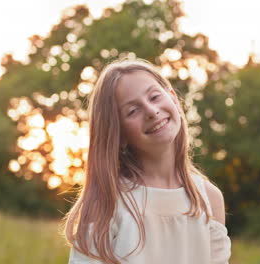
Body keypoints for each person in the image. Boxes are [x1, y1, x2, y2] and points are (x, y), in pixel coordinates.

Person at [62, 57, 232, 264]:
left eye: (154, 97)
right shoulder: (106, 203)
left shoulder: (210, 199)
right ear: (119, 134)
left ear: (173, 99)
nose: (151, 111)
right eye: (133, 111)